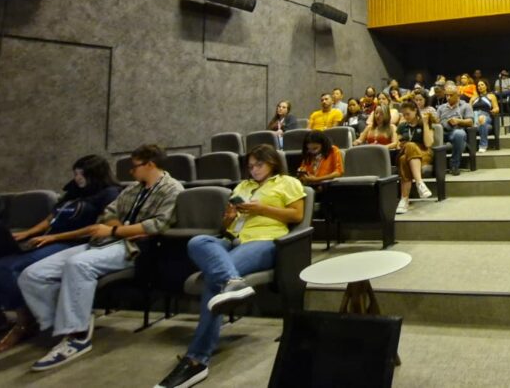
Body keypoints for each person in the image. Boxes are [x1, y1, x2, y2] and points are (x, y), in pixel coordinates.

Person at [18, 144, 182, 371]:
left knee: (78, 264)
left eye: (134, 166)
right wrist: (118, 227)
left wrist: (115, 231)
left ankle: (77, 335)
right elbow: (108, 213)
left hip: (134, 248)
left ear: (150, 164)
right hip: (106, 241)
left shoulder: (172, 189)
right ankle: (67, 321)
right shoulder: (132, 190)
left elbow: (156, 225)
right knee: (33, 274)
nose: (130, 171)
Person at [154, 145, 304, 388]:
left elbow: (297, 216)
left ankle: (196, 360)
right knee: (198, 241)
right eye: (251, 166)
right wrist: (230, 217)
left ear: (273, 163)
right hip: (233, 240)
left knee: (215, 279)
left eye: (259, 165)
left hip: (265, 241)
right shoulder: (242, 187)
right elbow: (225, 227)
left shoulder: (288, 182)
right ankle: (232, 282)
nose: (254, 170)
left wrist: (260, 208)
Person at [0, 156, 120, 351]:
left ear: (95, 174)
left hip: (73, 242)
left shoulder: (109, 193)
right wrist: (28, 233)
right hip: (49, 238)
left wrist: (54, 238)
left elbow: (99, 227)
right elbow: (51, 218)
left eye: (81, 174)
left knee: (5, 268)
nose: (77, 178)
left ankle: (25, 321)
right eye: (75, 173)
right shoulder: (74, 191)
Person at [395, 101, 435, 215]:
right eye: (403, 114)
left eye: (408, 114)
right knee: (409, 146)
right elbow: (397, 144)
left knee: (404, 160)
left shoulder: (425, 123)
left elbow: (428, 144)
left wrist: (426, 124)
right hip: (406, 151)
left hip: (423, 153)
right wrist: (401, 144)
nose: (405, 117)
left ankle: (404, 200)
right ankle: (420, 183)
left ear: (415, 111)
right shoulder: (402, 126)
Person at [295, 130, 344, 205]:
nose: (312, 151)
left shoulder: (333, 150)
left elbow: (339, 172)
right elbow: (303, 168)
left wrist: (317, 179)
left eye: (315, 148)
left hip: (327, 187)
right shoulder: (308, 154)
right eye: (309, 149)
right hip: (310, 186)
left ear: (323, 144)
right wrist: (302, 175)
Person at [436, 84, 475, 176]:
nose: (448, 98)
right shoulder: (441, 108)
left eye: (451, 95)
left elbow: (470, 122)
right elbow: (436, 121)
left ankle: (454, 165)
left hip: (455, 132)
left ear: (458, 95)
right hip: (442, 132)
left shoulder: (465, 106)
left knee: (459, 134)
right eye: (446, 95)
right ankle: (434, 167)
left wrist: (458, 121)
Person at [472, 79, 500, 153]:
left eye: (482, 85)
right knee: (483, 125)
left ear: (486, 86)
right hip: (474, 115)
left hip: (485, 115)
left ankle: (483, 145)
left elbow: (496, 108)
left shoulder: (491, 96)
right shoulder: (473, 97)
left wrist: (494, 110)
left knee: (482, 118)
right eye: (478, 85)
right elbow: (468, 109)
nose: (480, 87)